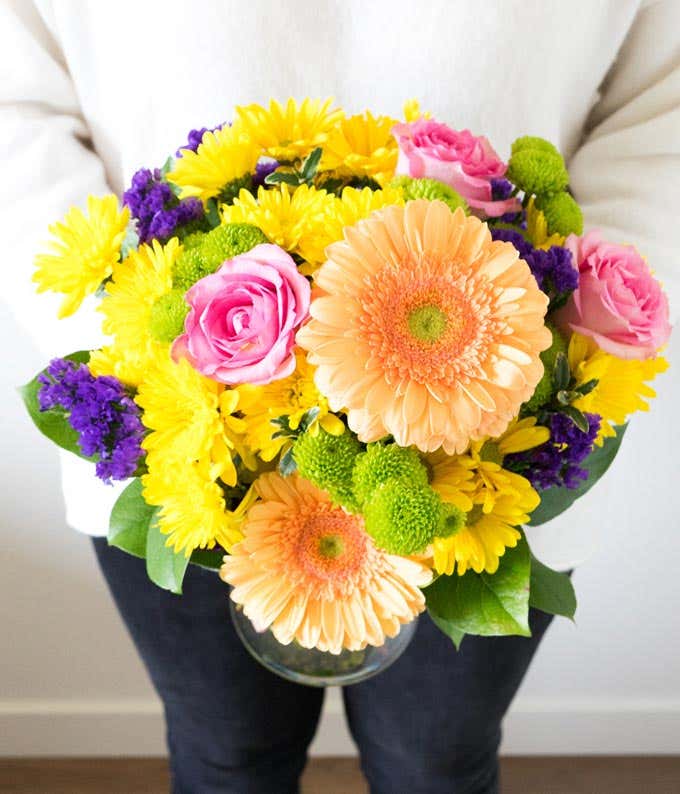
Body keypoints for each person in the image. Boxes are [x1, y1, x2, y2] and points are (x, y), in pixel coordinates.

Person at [3, 1, 678, 792]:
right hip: (173, 443)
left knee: (439, 764)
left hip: (498, 446)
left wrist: (556, 338)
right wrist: (142, 353)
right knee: (227, 758)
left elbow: (660, 105)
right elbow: (18, 97)